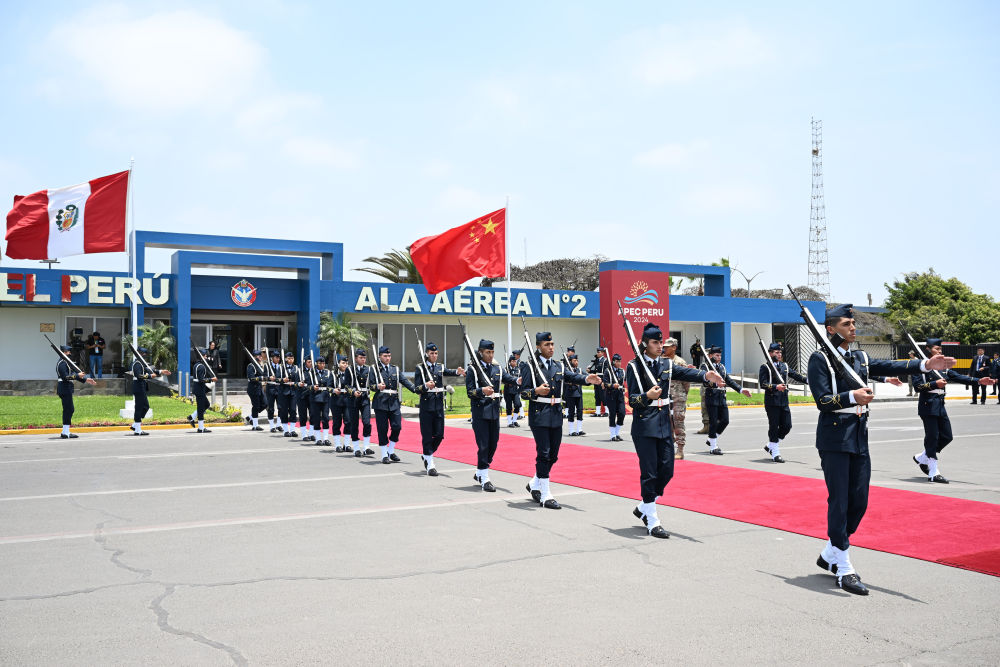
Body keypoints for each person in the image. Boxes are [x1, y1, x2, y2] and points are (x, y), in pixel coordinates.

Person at [809, 304, 954, 595]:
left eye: (853, 323)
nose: (853, 327)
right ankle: (844, 567)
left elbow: (890, 366)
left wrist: (925, 366)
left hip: (859, 436)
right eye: (847, 323)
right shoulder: (819, 358)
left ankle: (830, 552)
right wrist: (852, 395)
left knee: (859, 502)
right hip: (834, 438)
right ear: (831, 329)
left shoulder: (860, 356)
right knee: (839, 502)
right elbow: (822, 401)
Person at [626, 323, 719, 538]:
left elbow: (686, 373)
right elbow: (632, 400)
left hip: (663, 423)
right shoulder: (634, 366)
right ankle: (651, 518)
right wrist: (647, 396)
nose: (660, 346)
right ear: (645, 344)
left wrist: (706, 377)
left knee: (667, 470)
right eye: (655, 342)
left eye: (661, 342)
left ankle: (643, 507)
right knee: (649, 474)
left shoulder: (666, 365)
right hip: (644, 425)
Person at [519, 332, 603, 509]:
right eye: (547, 344)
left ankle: (534, 483)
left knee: (553, 456)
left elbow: (572, 377)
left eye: (552, 344)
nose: (551, 347)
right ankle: (545, 494)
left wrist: (587, 379)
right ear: (538, 347)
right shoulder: (530, 366)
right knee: (544, 453)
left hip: (556, 414)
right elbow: (523, 393)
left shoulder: (559, 365)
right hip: (539, 414)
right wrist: (535, 391)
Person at [911, 338, 994, 483]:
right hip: (927, 404)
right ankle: (933, 471)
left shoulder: (942, 367)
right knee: (932, 437)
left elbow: (958, 377)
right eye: (937, 349)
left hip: (940, 405)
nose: (940, 351)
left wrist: (978, 381)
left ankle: (923, 457)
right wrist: (933, 384)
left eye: (941, 349)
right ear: (928, 350)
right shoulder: (920, 366)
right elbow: (917, 387)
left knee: (947, 436)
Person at [467, 339, 515, 491]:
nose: (490, 355)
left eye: (492, 352)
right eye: (488, 352)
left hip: (494, 412)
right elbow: (470, 392)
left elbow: (508, 378)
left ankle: (480, 471)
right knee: (483, 445)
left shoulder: (497, 368)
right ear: (480, 352)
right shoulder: (473, 370)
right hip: (480, 412)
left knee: (493, 445)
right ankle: (485, 477)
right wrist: (482, 391)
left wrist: (518, 380)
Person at [414, 342, 465, 476]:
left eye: (436, 353)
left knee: (439, 435)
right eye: (432, 353)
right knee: (426, 436)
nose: (434, 356)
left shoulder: (440, 367)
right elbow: (416, 388)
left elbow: (449, 372)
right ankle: (430, 464)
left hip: (438, 406)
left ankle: (426, 454)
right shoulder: (420, 368)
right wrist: (425, 386)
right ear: (426, 354)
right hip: (426, 406)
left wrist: (458, 372)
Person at [758, 342, 808, 463]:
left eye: (780, 352)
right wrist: (775, 387)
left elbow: (795, 375)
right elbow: (763, 383)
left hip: (783, 401)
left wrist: (808, 380)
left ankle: (771, 445)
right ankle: (775, 452)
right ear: (770, 353)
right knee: (774, 426)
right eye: (776, 352)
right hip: (772, 401)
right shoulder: (765, 367)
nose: (779, 354)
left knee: (787, 425)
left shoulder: (784, 365)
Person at [369, 345, 417, 464]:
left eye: (389, 356)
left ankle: (391, 450)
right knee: (382, 429)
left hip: (394, 402)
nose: (388, 358)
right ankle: (384, 454)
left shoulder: (395, 369)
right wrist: (377, 387)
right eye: (385, 356)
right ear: (379, 356)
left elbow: (404, 381)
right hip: (381, 402)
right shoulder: (374, 369)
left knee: (397, 426)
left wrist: (417, 390)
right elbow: (370, 386)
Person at [700, 346, 751, 455]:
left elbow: (729, 380)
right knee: (713, 422)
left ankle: (711, 439)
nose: (719, 357)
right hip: (711, 396)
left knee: (725, 420)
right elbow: (704, 381)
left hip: (721, 397)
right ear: (710, 356)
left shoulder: (722, 367)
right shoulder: (705, 366)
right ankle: (713, 446)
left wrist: (741, 390)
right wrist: (715, 384)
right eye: (716, 355)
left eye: (720, 355)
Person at [56, 345, 96, 438]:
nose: (69, 353)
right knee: (68, 409)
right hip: (64, 388)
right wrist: (77, 375)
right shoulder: (62, 363)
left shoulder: (66, 362)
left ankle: (65, 431)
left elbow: (74, 375)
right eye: (67, 352)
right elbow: (66, 377)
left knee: (69, 409)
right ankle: (65, 432)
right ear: (63, 352)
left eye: (69, 352)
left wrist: (86, 379)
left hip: (67, 388)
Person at [130, 347, 171, 435]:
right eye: (144, 354)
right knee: (139, 408)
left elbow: (151, 370)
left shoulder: (142, 363)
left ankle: (135, 425)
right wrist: (149, 376)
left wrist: (161, 371)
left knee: (145, 407)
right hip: (138, 386)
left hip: (142, 387)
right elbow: (139, 375)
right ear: (140, 354)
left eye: (145, 354)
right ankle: (137, 430)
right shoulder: (137, 364)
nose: (145, 356)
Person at [662, 338, 691, 459]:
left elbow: (686, 381)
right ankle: (668, 448)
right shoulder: (661, 361)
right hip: (664, 396)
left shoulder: (680, 362)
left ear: (674, 347)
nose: (665, 348)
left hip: (678, 396)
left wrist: (683, 394)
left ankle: (680, 449)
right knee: (666, 422)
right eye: (664, 346)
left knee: (678, 422)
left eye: (668, 346)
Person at [347, 348, 374, 456]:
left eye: (364, 358)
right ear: (355, 358)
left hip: (365, 399)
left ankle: (366, 447)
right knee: (354, 424)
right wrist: (353, 391)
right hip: (353, 399)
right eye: (361, 358)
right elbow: (347, 385)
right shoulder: (350, 370)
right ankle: (356, 448)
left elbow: (371, 383)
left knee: (367, 423)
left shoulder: (368, 369)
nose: (363, 360)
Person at [187, 348, 215, 433]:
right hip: (199, 389)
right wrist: (211, 379)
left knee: (206, 404)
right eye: (205, 355)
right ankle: (201, 428)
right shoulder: (201, 366)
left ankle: (192, 417)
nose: (206, 357)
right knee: (201, 407)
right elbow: (201, 379)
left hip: (198, 388)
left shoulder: (196, 365)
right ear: (202, 356)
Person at [330, 355, 353, 451]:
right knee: (337, 422)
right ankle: (338, 444)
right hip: (336, 400)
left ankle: (347, 444)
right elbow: (328, 387)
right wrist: (334, 390)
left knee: (348, 422)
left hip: (347, 400)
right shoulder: (333, 374)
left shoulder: (351, 373)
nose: (345, 365)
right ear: (338, 364)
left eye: (346, 363)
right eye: (343, 363)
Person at [277, 350, 300, 437]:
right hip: (283, 392)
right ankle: (286, 430)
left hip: (293, 392)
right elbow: (277, 379)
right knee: (284, 411)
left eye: (292, 358)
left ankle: (293, 430)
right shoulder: (281, 368)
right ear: (286, 359)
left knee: (293, 410)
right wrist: (283, 380)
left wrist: (295, 383)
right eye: (289, 358)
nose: (291, 360)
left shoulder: (296, 368)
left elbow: (298, 379)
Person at [604, 353, 626, 441]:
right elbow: (605, 384)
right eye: (617, 361)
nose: (619, 363)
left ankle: (617, 432)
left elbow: (623, 382)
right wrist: (613, 386)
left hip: (620, 396)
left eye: (620, 361)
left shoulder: (622, 371)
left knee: (622, 413)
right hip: (611, 395)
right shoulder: (608, 371)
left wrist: (623, 388)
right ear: (613, 362)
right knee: (612, 414)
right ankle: (613, 435)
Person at [310, 356, 332, 445]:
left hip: (325, 397)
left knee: (326, 418)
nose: (322, 365)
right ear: (316, 364)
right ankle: (318, 438)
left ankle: (326, 438)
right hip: (315, 397)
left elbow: (330, 384)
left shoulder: (328, 373)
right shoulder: (312, 373)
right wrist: (312, 387)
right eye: (320, 363)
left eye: (323, 363)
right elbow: (307, 384)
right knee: (316, 418)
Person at [245, 349, 268, 431]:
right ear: (255, 357)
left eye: (261, 356)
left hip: (259, 388)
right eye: (259, 356)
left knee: (265, 404)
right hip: (253, 388)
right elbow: (251, 378)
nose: (261, 357)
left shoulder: (259, 365)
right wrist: (261, 378)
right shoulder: (251, 366)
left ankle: (250, 417)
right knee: (256, 406)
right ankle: (255, 425)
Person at [564, 354, 585, 436]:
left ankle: (579, 429)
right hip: (571, 393)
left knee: (580, 411)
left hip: (579, 394)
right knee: (571, 412)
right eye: (574, 360)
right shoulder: (567, 370)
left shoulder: (579, 370)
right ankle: (571, 430)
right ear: (570, 361)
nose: (576, 362)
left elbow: (585, 376)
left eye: (577, 360)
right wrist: (573, 383)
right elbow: (564, 381)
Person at [297, 356, 315, 442]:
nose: (310, 364)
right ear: (305, 362)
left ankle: (311, 433)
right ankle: (304, 434)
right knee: (303, 415)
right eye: (309, 362)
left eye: (311, 362)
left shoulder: (314, 371)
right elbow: (295, 382)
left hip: (311, 395)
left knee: (313, 414)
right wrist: (298, 383)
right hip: (302, 395)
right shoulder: (300, 371)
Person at [263, 349, 282, 432]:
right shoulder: (267, 366)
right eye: (276, 357)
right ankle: (271, 425)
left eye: (278, 357)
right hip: (270, 388)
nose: (278, 359)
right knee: (271, 408)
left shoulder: (281, 366)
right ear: (272, 358)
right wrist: (269, 378)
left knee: (281, 407)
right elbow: (264, 376)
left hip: (279, 388)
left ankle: (278, 424)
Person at [503, 354, 523, 428]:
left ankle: (514, 420)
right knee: (509, 406)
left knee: (517, 404)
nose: (514, 362)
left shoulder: (518, 370)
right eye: (513, 361)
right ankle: (509, 422)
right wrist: (508, 382)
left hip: (516, 390)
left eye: (515, 361)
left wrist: (520, 389)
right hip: (508, 390)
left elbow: (520, 380)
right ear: (509, 362)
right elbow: (503, 379)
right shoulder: (506, 370)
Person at [588, 348, 609, 417]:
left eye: (599, 352)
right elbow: (596, 371)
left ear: (603, 353)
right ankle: (597, 412)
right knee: (597, 396)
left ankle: (607, 411)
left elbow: (606, 372)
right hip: (596, 380)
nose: (598, 353)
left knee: (603, 396)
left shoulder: (605, 360)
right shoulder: (597, 360)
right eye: (597, 352)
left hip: (601, 379)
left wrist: (604, 381)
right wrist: (590, 371)